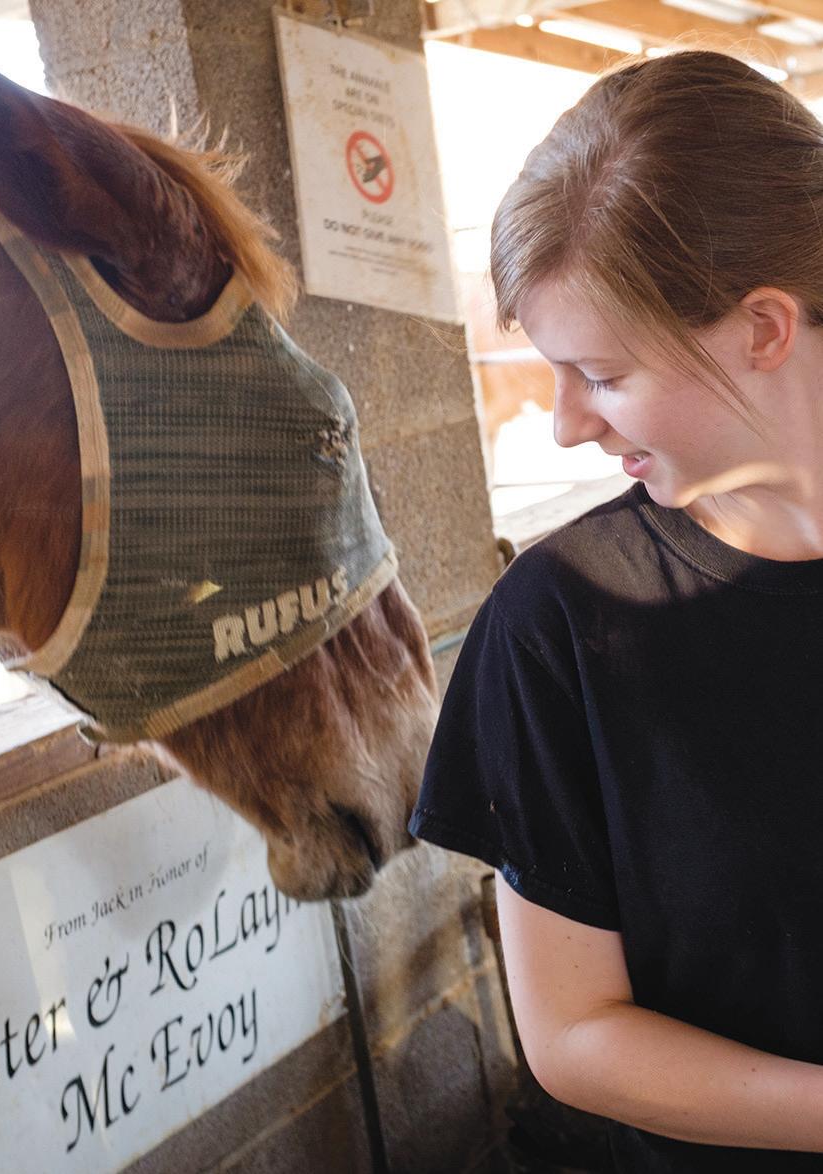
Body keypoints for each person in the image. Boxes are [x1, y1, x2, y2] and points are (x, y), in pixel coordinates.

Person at [411, 50, 823, 1172]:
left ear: (762, 328)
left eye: (600, 374)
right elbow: (575, 1034)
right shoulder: (558, 626)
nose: (563, 424)